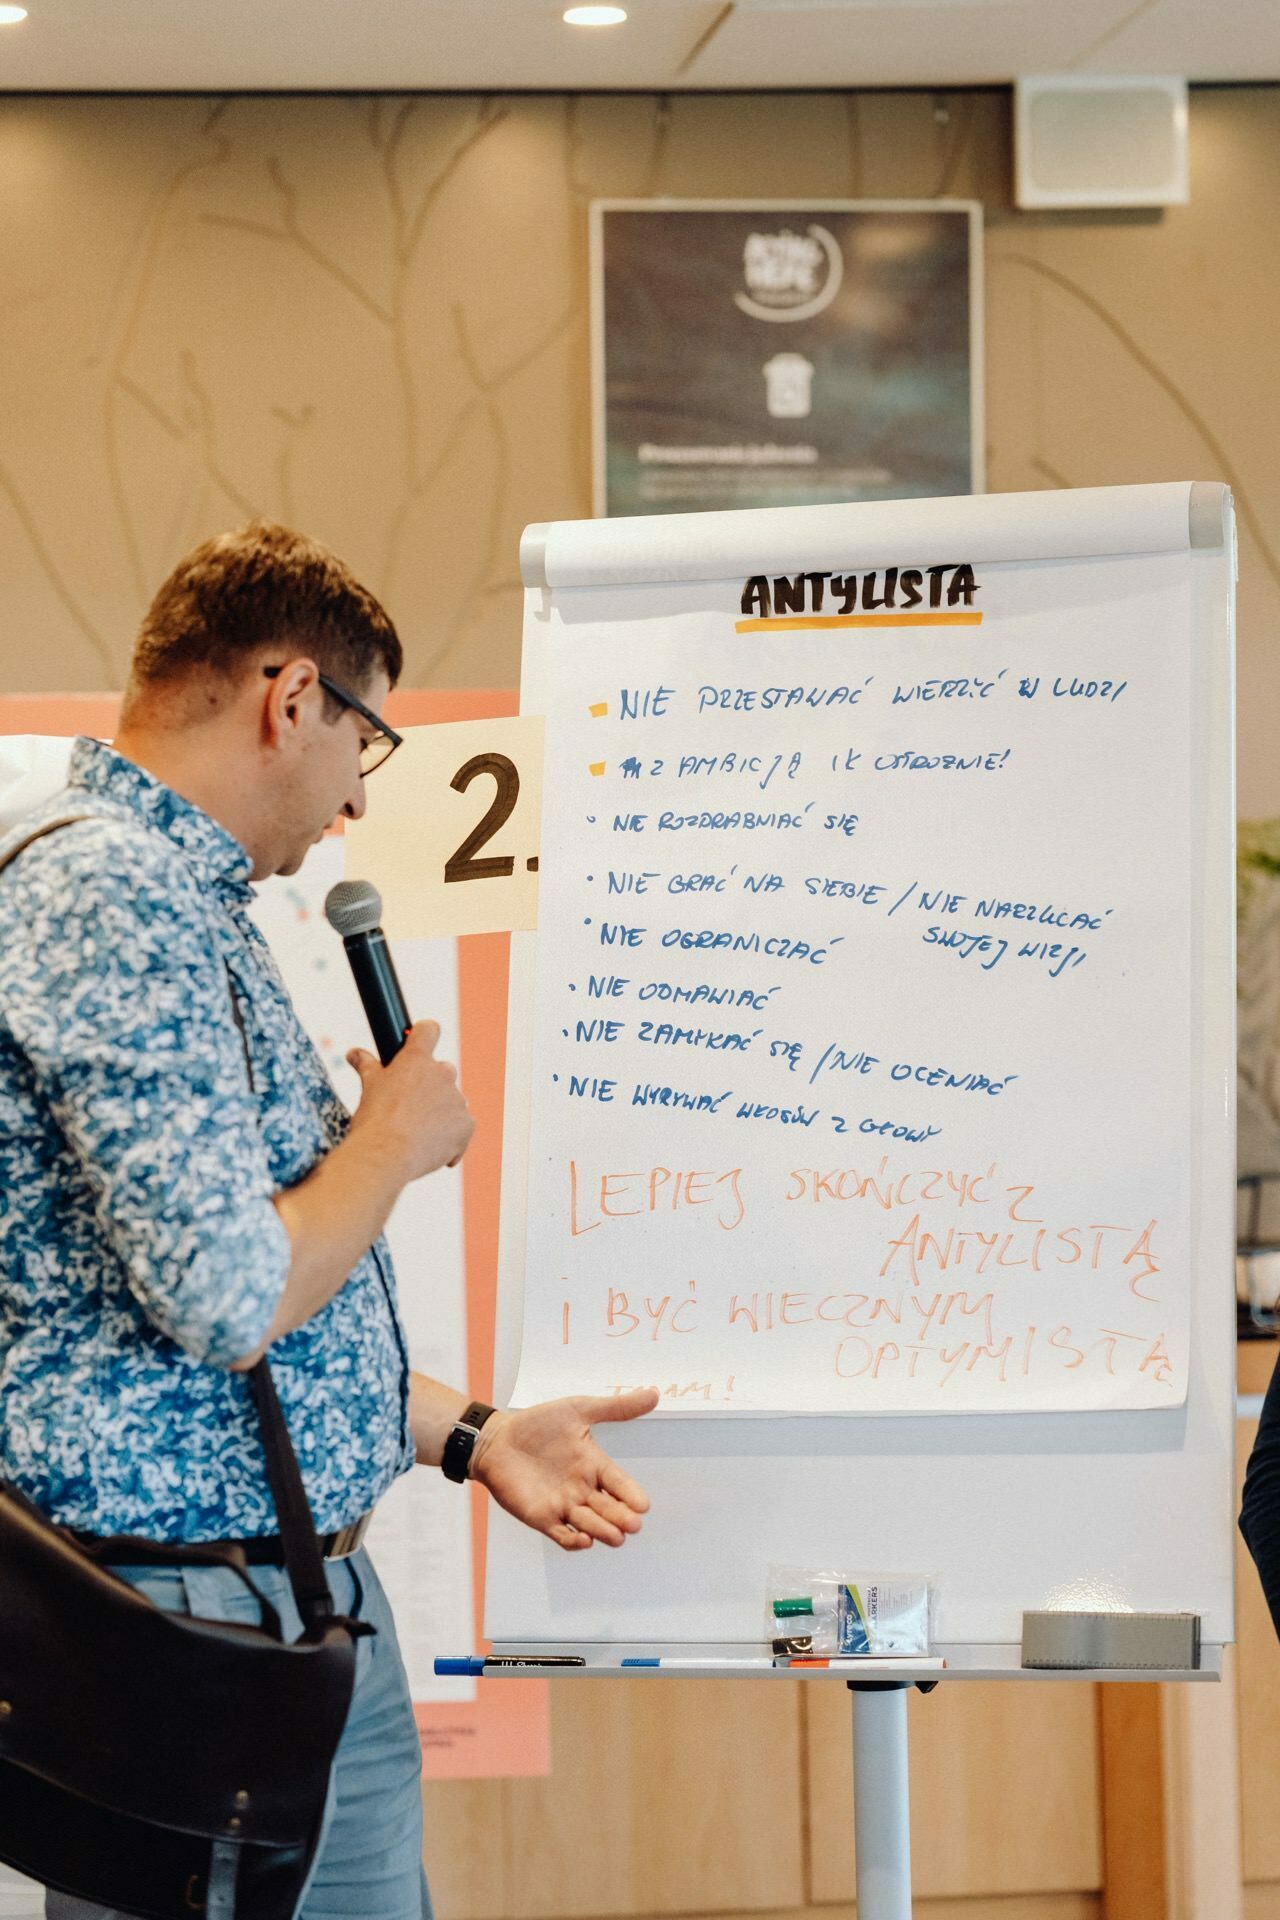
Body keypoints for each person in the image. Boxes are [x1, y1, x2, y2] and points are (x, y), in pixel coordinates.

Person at [0, 523, 659, 1920]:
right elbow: (225, 1294)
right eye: (368, 740)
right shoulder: (104, 890)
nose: (358, 798)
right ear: (290, 698)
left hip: (281, 1612)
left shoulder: (186, 898)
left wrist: (473, 1435)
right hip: (190, 1634)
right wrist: (390, 1139)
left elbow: (263, 1326)